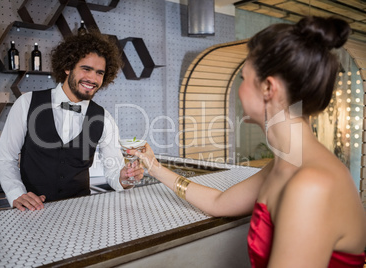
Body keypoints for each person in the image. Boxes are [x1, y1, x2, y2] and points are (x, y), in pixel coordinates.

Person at [130, 16, 366, 267]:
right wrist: (154, 167)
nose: (238, 90)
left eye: (243, 79)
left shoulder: (311, 185)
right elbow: (218, 203)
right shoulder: (283, 165)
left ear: (268, 88)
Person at [0, 32, 144, 212]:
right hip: (31, 213)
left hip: (81, 215)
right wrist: (16, 193)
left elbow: (114, 172)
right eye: (86, 69)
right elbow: (5, 159)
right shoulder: (26, 104)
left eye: (99, 73)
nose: (93, 79)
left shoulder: (104, 118)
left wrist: (125, 178)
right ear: (67, 67)